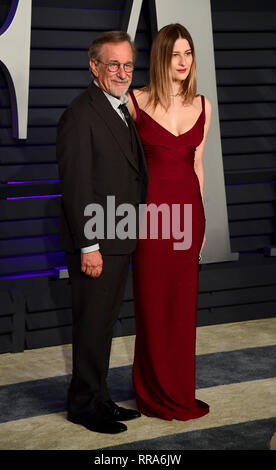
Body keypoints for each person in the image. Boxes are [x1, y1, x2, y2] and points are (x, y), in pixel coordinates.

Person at [56, 31, 148, 434]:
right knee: (91, 324)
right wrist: (88, 245)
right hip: (98, 241)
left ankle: (98, 396)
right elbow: (77, 185)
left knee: (104, 325)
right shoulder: (81, 113)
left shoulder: (119, 107)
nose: (123, 72)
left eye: (128, 65)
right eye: (114, 64)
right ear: (95, 66)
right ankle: (83, 405)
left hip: (119, 235)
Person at [127, 23, 211, 421]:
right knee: (152, 307)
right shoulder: (135, 102)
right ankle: (151, 391)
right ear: (161, 57)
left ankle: (179, 390)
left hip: (188, 219)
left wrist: (204, 219)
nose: (182, 61)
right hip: (152, 221)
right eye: (175, 53)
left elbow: (197, 165)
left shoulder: (204, 105)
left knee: (182, 311)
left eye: (188, 53)